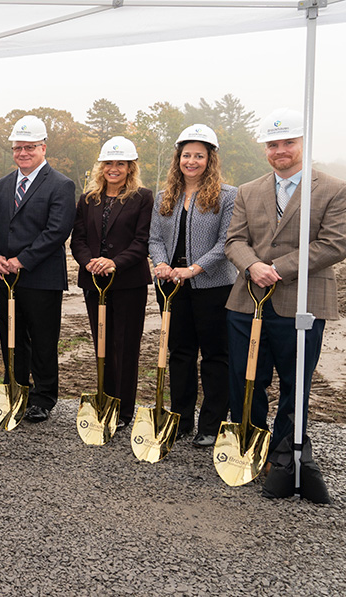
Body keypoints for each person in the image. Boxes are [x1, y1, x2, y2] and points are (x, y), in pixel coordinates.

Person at [224, 108, 346, 503]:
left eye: (288, 143)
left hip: (302, 302)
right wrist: (252, 266)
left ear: (303, 144)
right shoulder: (248, 190)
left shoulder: (335, 189)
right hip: (247, 302)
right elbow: (235, 240)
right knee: (247, 380)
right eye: (273, 144)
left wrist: (275, 268)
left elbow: (334, 245)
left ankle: (283, 456)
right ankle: (250, 446)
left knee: (295, 385)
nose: (280, 151)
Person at [148, 124, 237, 447]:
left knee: (215, 355)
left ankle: (211, 424)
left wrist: (194, 269)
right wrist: (161, 263)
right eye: (187, 155)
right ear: (178, 158)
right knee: (180, 353)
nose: (192, 161)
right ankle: (181, 419)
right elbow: (154, 238)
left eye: (199, 155)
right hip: (172, 287)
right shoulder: (165, 196)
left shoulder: (228, 196)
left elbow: (227, 241)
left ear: (210, 159)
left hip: (213, 287)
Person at [0, 115, 76, 424]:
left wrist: (21, 260)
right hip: (5, 277)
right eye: (17, 148)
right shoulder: (3, 184)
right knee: (11, 336)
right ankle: (17, 388)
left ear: (43, 147)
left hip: (40, 277)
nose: (22, 153)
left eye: (29, 147)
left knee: (43, 339)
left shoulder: (61, 184)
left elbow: (56, 231)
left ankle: (44, 396)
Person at [71, 136, 152, 429]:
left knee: (126, 346)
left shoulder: (142, 197)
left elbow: (142, 241)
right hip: (94, 282)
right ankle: (105, 401)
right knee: (101, 343)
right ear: (101, 166)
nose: (114, 169)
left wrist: (114, 262)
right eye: (109, 163)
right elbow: (78, 239)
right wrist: (90, 261)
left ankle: (124, 409)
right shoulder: (88, 199)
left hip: (128, 282)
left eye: (120, 163)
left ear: (130, 167)